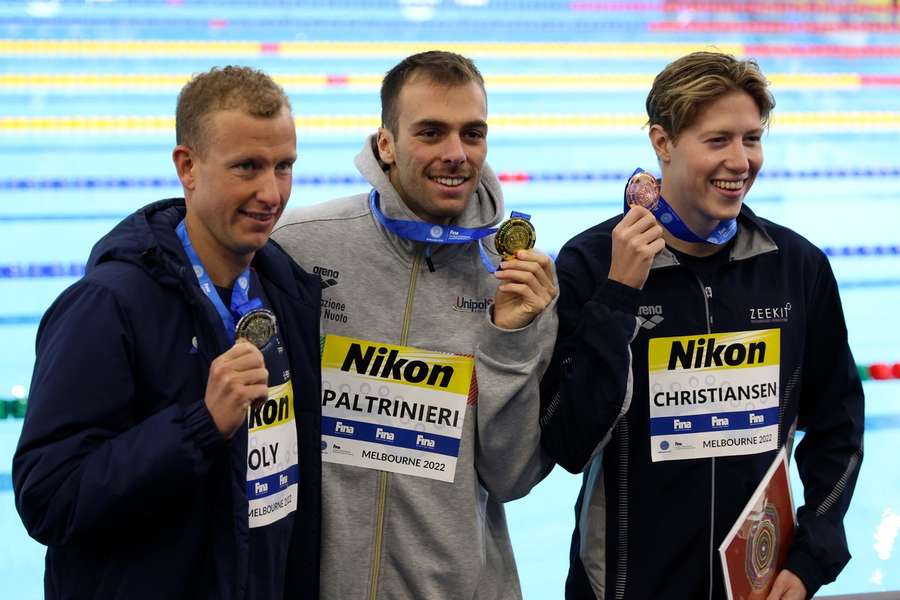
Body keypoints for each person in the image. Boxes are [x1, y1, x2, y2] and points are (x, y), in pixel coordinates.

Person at [540, 52, 864, 600]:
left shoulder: (795, 267)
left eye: (752, 139)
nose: (741, 161)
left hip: (756, 587)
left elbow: (837, 425)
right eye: (718, 141)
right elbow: (566, 442)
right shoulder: (593, 264)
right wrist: (620, 295)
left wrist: (816, 548)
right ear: (662, 143)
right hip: (621, 587)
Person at [13, 66, 322, 599]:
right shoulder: (107, 306)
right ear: (188, 167)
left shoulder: (287, 293)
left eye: (283, 166)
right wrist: (200, 425)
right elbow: (49, 496)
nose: (270, 192)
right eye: (246, 167)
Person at [273, 50, 557, 599]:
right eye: (431, 132)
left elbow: (512, 478)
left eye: (472, 134)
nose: (456, 154)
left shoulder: (519, 279)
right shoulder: (301, 246)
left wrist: (511, 338)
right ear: (386, 143)